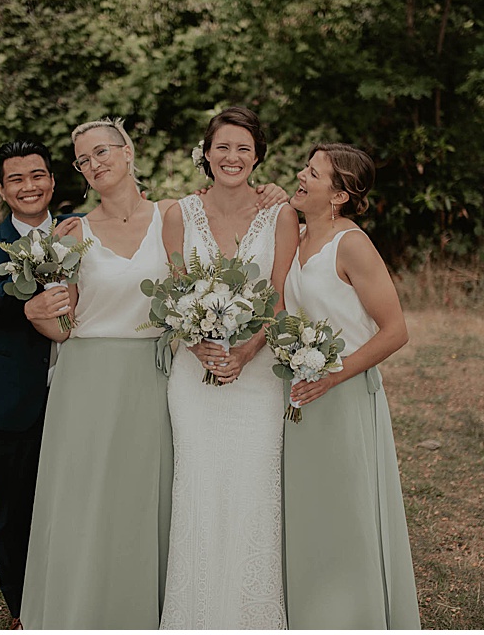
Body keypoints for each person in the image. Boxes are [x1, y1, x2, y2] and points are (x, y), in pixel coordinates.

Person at [18, 119, 177, 628]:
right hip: (87, 380)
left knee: (146, 498)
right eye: (83, 160)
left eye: (102, 151)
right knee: (88, 498)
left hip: (154, 378)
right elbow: (63, 327)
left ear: (128, 151)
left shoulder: (173, 215)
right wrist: (36, 314)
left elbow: (232, 209)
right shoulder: (72, 235)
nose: (94, 164)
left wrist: (271, 193)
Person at [157, 106, 300, 629]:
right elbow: (175, 293)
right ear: (206, 153)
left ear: (258, 156)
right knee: (197, 490)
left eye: (243, 148)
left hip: (256, 376)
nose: (232, 157)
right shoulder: (179, 214)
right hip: (193, 376)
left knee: (252, 492)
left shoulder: (280, 215)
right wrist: (198, 343)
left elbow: (279, 296)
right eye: (222, 147)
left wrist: (245, 352)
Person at [279, 144, 421, 628]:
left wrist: (334, 375)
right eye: (305, 168)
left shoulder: (352, 245)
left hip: (344, 396)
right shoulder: (296, 236)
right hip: (301, 394)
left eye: (313, 174)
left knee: (347, 512)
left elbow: (395, 331)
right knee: (310, 509)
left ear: (339, 195)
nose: (301, 176)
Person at [0, 140, 82, 628]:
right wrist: (28, 300)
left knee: (80, 505)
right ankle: (24, 614)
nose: (28, 186)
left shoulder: (81, 231)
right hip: (12, 404)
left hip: (83, 394)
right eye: (16, 179)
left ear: (52, 181)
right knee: (16, 515)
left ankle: (75, 600)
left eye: (37, 175)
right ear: (2, 190)